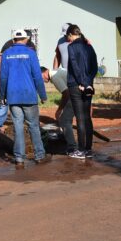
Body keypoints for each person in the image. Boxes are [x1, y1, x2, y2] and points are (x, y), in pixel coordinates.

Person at [0, 29, 48, 167]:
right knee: (33, 126)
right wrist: (43, 95)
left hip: (13, 96)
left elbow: (3, 77)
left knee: (18, 126)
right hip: (29, 95)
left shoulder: (7, 54)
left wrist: (2, 96)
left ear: (13, 40)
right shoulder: (31, 53)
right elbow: (38, 76)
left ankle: (19, 159)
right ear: (26, 39)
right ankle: (39, 155)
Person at [0, 31, 37, 131]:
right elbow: (0, 59)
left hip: (24, 78)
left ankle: (26, 122)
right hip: (9, 77)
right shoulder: (9, 44)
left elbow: (34, 62)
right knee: (4, 100)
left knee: (25, 101)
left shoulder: (31, 46)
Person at [65, 24, 98, 159]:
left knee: (80, 118)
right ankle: (88, 149)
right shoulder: (89, 46)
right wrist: (88, 82)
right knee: (87, 117)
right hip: (88, 86)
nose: (68, 39)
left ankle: (81, 150)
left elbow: (74, 65)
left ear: (71, 35)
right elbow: (95, 67)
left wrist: (81, 83)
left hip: (76, 85)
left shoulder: (71, 47)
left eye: (68, 36)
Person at [51, 23, 77, 154]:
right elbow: (57, 55)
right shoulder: (60, 41)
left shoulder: (80, 41)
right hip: (65, 73)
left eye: (68, 34)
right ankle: (68, 127)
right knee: (70, 100)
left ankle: (82, 125)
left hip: (77, 75)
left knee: (79, 101)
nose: (67, 37)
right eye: (65, 35)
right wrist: (55, 69)